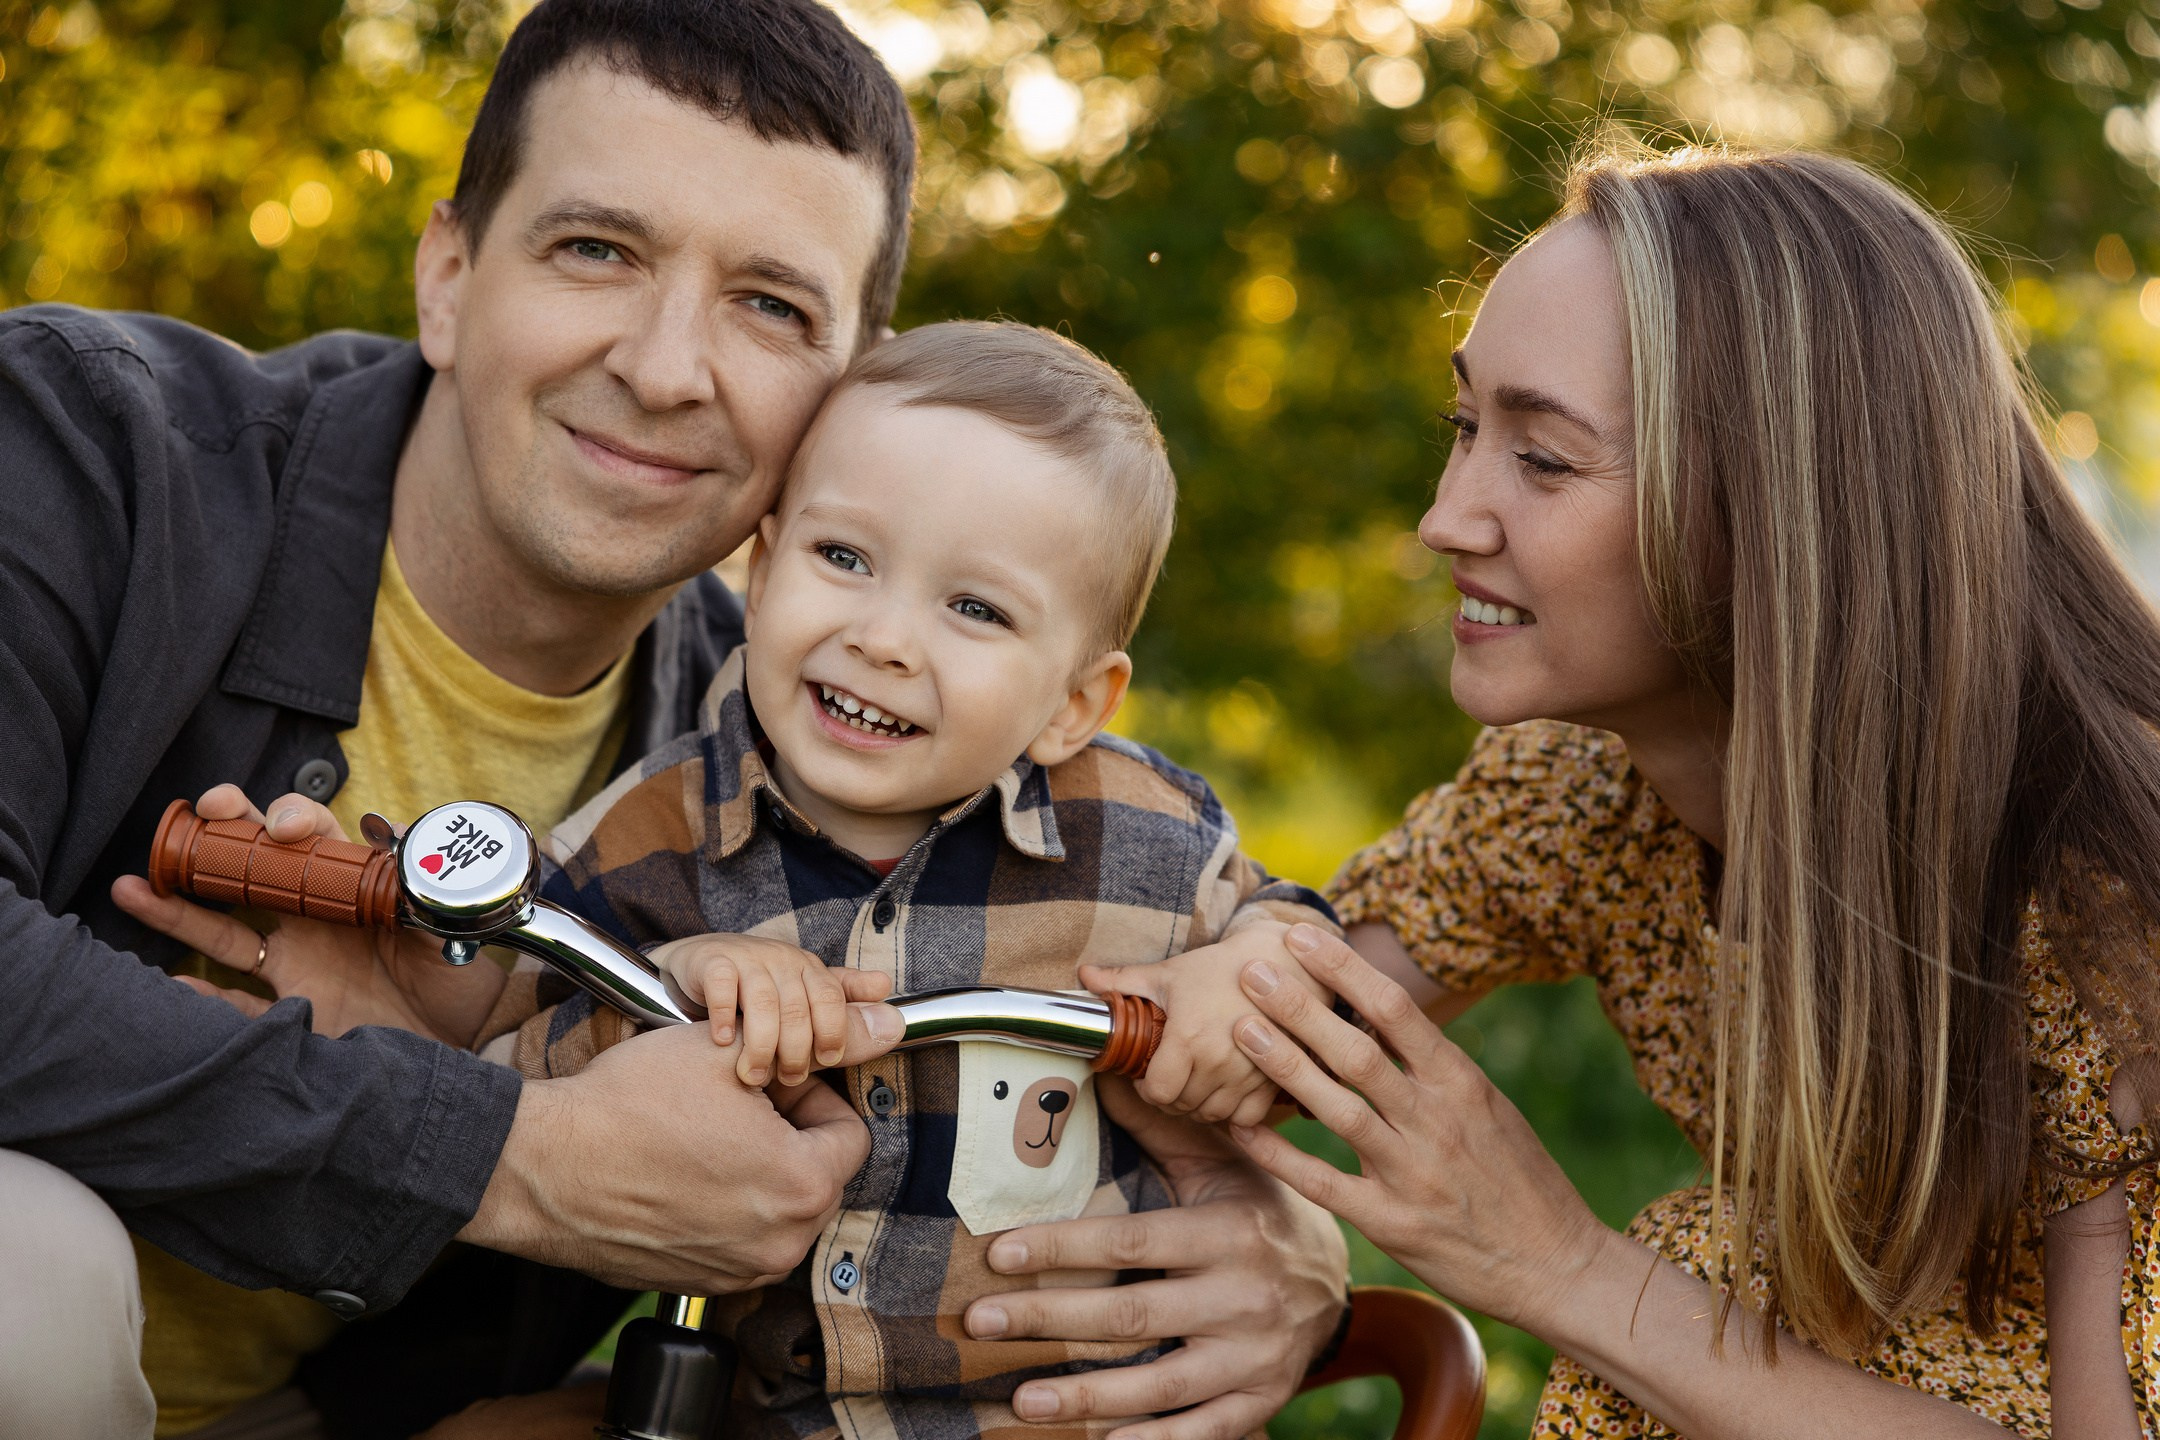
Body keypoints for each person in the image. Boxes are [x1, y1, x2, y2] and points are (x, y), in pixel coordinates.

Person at [2, 2, 1347, 1437]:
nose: (663, 365)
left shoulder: (820, 751)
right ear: (449, 273)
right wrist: (514, 1152)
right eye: (597, 250)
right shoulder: (81, 449)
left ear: (846, 393)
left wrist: (1282, 1253)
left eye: (770, 304)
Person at [1219, 144, 2159, 1438]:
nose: (1448, 515)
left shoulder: (2105, 902)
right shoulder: (1583, 796)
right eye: (1465, 428)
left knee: (1692, 1303)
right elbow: (1254, 1024)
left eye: (1542, 460)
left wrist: (1564, 1269)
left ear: (1779, 506)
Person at [279, 318, 1343, 1439]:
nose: (884, 637)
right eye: (845, 559)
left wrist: (1255, 969)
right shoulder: (646, 840)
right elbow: (501, 1078)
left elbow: (1301, 950)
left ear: (1076, 700)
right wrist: (672, 987)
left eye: (975, 609)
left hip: (1091, 1417)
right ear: (763, 564)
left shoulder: (1142, 836)